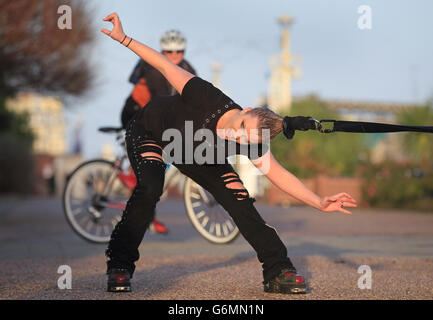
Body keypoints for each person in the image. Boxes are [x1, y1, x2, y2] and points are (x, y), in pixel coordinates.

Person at [101, 13, 357, 294]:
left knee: (240, 199)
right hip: (150, 131)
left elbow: (279, 175)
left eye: (245, 139)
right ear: (245, 110)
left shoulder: (253, 141)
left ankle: (278, 270)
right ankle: (120, 265)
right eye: (242, 128)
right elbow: (162, 64)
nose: (238, 137)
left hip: (194, 154)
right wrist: (123, 38)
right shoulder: (205, 95)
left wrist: (319, 201)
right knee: (151, 187)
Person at [120, 30, 197, 235]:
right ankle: (133, 179)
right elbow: (161, 103)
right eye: (169, 51)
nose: (174, 55)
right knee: (153, 160)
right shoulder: (154, 69)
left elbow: (196, 96)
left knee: (162, 160)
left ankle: (148, 217)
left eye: (179, 51)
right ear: (162, 51)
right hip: (135, 113)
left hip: (158, 115)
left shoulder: (188, 68)